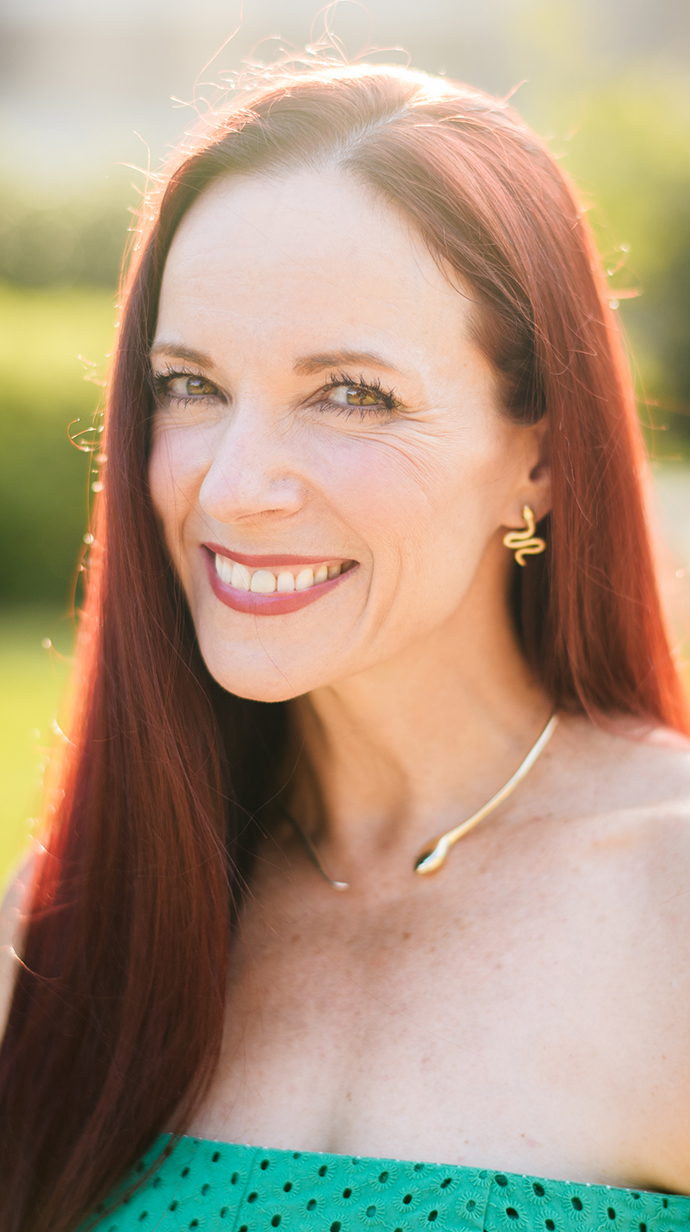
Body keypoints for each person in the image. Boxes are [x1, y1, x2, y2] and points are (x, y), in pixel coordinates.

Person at [1, 61, 690, 1232]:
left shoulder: (668, 906)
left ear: (541, 453)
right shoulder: (73, 923)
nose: (234, 484)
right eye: (190, 385)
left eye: (351, 395)